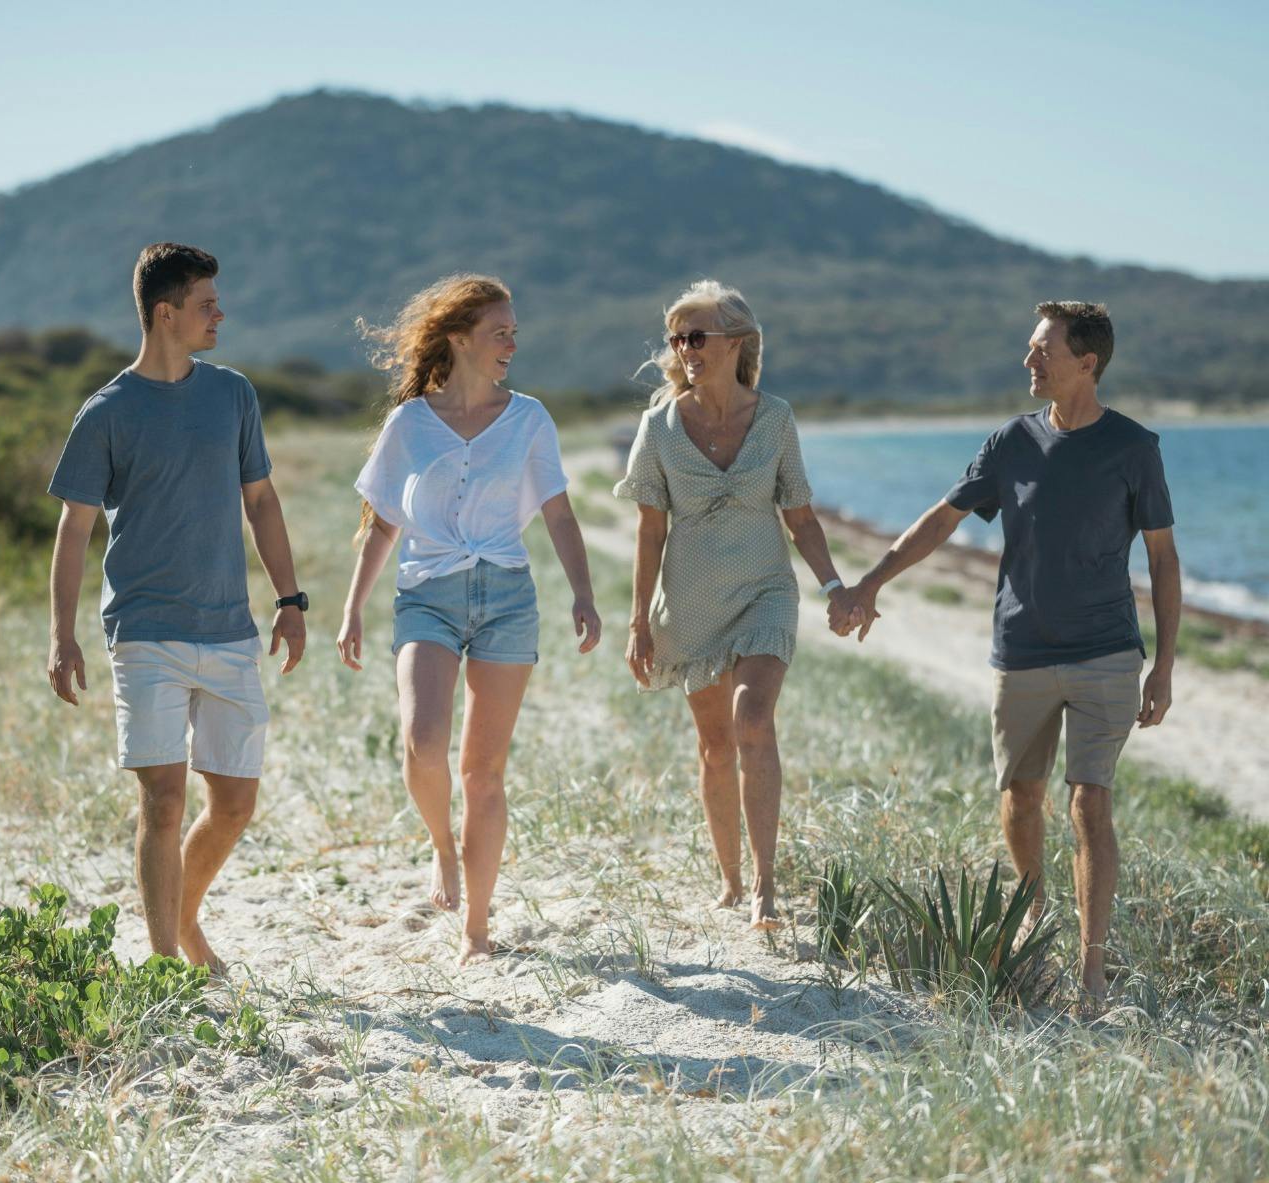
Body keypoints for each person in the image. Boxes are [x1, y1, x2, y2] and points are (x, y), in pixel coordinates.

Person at [837, 301, 1179, 1004]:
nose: (1029, 361)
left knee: (1090, 803)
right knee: (1021, 798)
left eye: (1043, 350)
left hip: (1106, 653)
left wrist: (1166, 665)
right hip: (1019, 650)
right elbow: (943, 519)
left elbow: (1164, 560)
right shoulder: (1009, 442)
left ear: (1087, 363)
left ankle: (1091, 968)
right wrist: (871, 581)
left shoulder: (1134, 448)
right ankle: (1033, 918)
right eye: (1030, 348)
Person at [45, 242, 307, 974]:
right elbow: (75, 527)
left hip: (229, 629)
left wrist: (290, 600)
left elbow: (260, 500)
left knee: (233, 804)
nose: (219, 313)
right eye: (205, 304)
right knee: (162, 801)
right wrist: (62, 637)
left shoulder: (233, 395)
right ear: (167, 313)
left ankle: (182, 923)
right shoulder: (107, 412)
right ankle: (165, 966)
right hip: (145, 631)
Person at [336, 274, 602, 964]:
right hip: (427, 593)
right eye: (500, 331)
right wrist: (352, 609)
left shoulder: (529, 418)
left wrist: (583, 592)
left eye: (514, 330)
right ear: (459, 338)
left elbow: (559, 511)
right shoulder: (409, 423)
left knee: (482, 772)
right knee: (422, 743)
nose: (514, 342)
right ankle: (442, 849)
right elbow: (382, 520)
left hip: (507, 596)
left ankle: (476, 929)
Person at [615, 280, 859, 930]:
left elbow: (801, 518)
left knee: (754, 720)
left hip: (765, 592)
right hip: (691, 603)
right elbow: (648, 531)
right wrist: (638, 621)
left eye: (698, 336)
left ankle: (766, 889)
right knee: (716, 747)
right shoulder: (658, 428)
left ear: (737, 343)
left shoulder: (775, 418)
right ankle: (728, 878)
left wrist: (835, 587)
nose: (686, 349)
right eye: (678, 339)